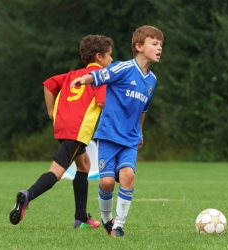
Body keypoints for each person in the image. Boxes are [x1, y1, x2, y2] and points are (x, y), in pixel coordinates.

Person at [9, 34, 114, 229]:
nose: (112, 60)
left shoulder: (72, 74)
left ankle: (81, 218)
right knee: (56, 171)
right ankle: (27, 195)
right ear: (99, 57)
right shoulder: (100, 78)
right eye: (110, 56)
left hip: (63, 126)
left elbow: (49, 84)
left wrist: (51, 112)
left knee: (84, 165)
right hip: (77, 130)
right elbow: (102, 102)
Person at [70, 25, 163, 237]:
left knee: (128, 175)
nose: (159, 48)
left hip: (130, 138)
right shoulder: (124, 68)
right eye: (155, 44)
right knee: (107, 182)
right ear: (139, 46)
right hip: (109, 135)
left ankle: (119, 225)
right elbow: (100, 75)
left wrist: (140, 132)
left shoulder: (152, 80)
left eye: (161, 45)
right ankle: (106, 220)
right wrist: (82, 80)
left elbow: (143, 109)